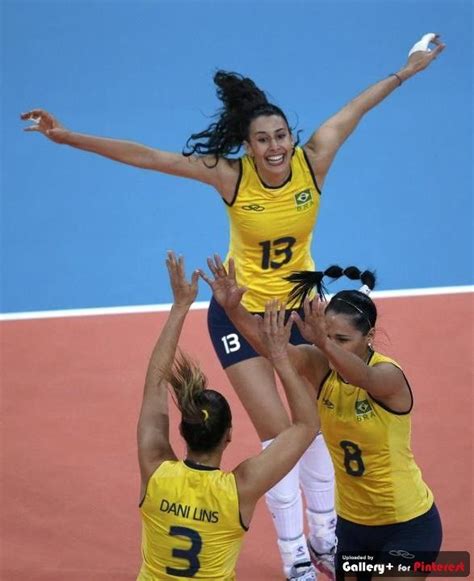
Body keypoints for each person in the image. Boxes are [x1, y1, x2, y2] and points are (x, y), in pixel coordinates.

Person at [21, 32, 445, 580]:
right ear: (247, 146)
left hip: (298, 313)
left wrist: (408, 69)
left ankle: (325, 540)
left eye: (280, 135)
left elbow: (357, 107)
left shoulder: (313, 162)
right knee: (277, 437)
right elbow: (149, 157)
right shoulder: (230, 175)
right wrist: (67, 137)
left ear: (292, 136)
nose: (274, 147)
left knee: (309, 429)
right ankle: (296, 556)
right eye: (262, 139)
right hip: (237, 310)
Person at [200, 255, 443, 581]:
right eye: (328, 336)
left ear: (368, 337)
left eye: (342, 340)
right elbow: (275, 349)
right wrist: (233, 311)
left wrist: (322, 343)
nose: (332, 345)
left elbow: (361, 379)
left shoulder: (388, 376)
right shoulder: (322, 366)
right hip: (353, 529)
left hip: (408, 527)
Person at [136, 251, 319, 580]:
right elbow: (307, 425)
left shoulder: (156, 473)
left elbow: (154, 385)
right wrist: (280, 356)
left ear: (183, 430)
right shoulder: (239, 490)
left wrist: (179, 308)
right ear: (229, 435)